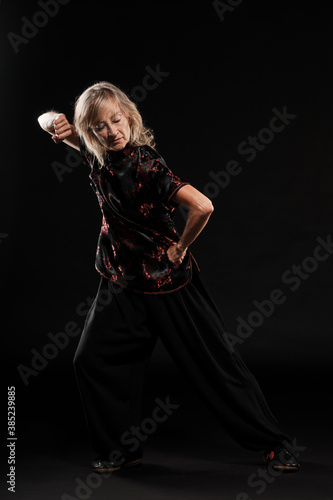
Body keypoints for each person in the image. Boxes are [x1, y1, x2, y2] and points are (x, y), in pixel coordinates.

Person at [37, 81, 300, 474]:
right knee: (91, 360)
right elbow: (42, 122)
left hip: (167, 284)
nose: (112, 131)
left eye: (117, 120)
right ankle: (121, 449)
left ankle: (275, 444)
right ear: (89, 133)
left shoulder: (146, 163)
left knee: (215, 366)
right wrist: (54, 120)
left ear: (129, 116)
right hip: (122, 282)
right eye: (100, 127)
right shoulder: (96, 156)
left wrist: (179, 249)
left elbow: (202, 206)